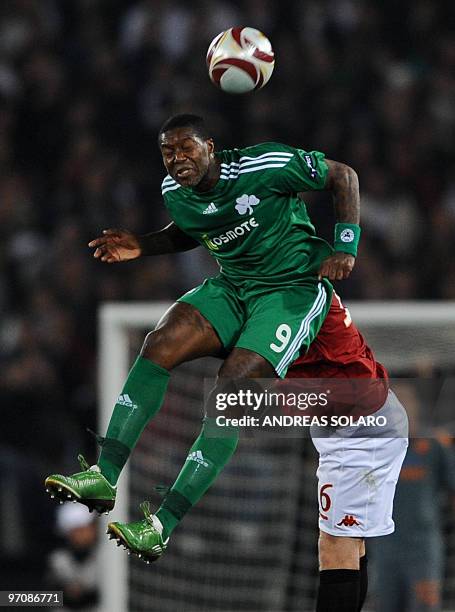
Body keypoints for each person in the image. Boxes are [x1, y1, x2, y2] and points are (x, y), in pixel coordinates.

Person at [45, 113, 407, 612]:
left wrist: (346, 244)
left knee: (234, 395)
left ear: (210, 145)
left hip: (357, 410)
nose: (177, 159)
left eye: (186, 148)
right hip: (253, 311)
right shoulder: (177, 192)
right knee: (160, 344)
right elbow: (193, 228)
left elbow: (343, 175)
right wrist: (144, 245)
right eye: (168, 152)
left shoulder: (268, 172)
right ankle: (105, 475)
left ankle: (160, 525)